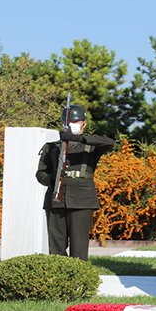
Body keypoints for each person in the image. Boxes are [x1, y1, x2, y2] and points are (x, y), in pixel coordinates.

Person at [35, 104, 114, 261]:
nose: (73, 125)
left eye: (77, 121)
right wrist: (52, 179)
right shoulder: (52, 147)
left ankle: (79, 282)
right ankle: (60, 281)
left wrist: (77, 138)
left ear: (84, 124)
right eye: (70, 122)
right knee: (56, 247)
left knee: (79, 247)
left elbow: (109, 143)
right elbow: (40, 173)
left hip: (82, 200)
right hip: (56, 199)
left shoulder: (90, 145)